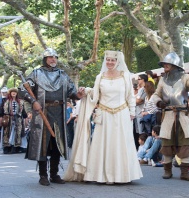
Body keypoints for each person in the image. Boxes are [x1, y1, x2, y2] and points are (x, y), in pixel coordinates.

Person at [64, 50, 143, 184]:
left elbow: (130, 96)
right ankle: (103, 176)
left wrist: (132, 112)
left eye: (113, 60)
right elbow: (95, 94)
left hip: (121, 113)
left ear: (118, 62)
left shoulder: (125, 76)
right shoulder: (100, 77)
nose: (110, 62)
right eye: (108, 60)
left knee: (120, 143)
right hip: (104, 114)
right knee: (104, 144)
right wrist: (86, 91)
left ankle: (121, 176)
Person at [18, 48, 83, 186]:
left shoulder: (63, 75)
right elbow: (22, 90)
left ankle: (54, 174)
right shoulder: (36, 74)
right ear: (45, 59)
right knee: (43, 144)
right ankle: (43, 175)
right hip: (43, 112)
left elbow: (72, 92)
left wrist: (78, 95)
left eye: (55, 57)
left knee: (57, 144)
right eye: (50, 57)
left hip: (59, 113)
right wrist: (33, 101)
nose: (53, 59)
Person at [150, 52, 189, 182]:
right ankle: (167, 170)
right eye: (164, 64)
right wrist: (159, 102)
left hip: (183, 114)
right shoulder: (162, 80)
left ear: (175, 65)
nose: (165, 65)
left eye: (168, 64)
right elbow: (155, 95)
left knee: (185, 143)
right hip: (169, 114)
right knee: (166, 143)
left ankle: (184, 172)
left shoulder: (186, 78)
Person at [0, 88, 28, 154]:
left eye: (15, 92)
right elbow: (1, 110)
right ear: (10, 93)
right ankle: (7, 148)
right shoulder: (6, 100)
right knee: (7, 133)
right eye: (12, 92)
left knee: (17, 134)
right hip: (8, 119)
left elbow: (23, 112)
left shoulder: (20, 102)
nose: (14, 93)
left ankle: (15, 148)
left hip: (18, 119)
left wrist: (25, 119)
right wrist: (1, 117)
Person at [134, 74, 148, 148]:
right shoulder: (139, 89)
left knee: (142, 133)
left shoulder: (145, 89)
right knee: (138, 133)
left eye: (139, 79)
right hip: (136, 114)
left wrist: (134, 101)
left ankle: (144, 149)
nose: (138, 80)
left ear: (143, 80)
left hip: (142, 114)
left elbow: (139, 101)